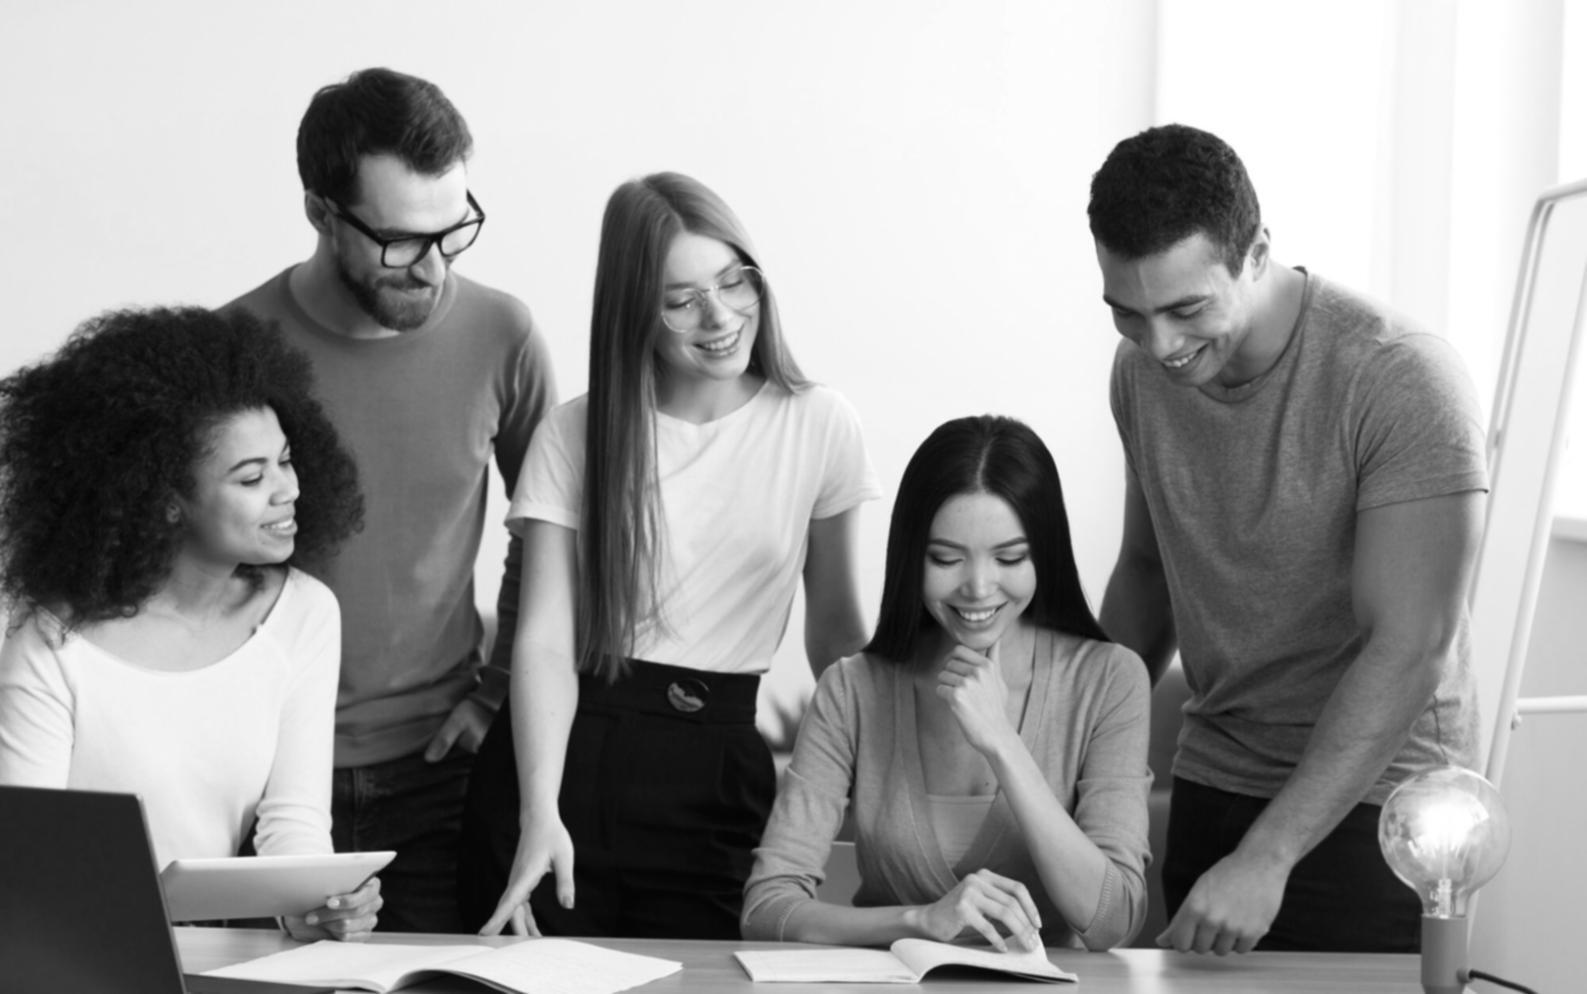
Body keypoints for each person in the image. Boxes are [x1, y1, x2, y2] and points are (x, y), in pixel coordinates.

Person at [1088, 123, 1488, 954]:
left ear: (1257, 251)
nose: (1159, 345)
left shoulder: (1398, 377)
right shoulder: (1141, 374)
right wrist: (1067, 748)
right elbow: (1144, 571)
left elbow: (1412, 646)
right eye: (1127, 313)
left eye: (1185, 309)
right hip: (1215, 773)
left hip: (1377, 805)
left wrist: (1267, 855)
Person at [463, 172, 880, 939]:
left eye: (733, 281)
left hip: (714, 764)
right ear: (634, 314)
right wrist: (538, 813)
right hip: (566, 758)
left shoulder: (820, 424)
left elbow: (837, 638)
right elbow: (546, 642)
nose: (718, 316)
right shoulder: (574, 433)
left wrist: (899, 764)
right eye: (680, 298)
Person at [227, 67, 557, 933]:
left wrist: (495, 691)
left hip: (437, 769)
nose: (435, 266)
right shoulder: (230, 349)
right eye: (403, 242)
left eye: (453, 232)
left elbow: (554, 536)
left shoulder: (503, 336)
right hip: (254, 768)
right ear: (320, 212)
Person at [0, 306, 379, 940]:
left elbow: (293, 822)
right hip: (77, 949)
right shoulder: (50, 642)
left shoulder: (305, 614)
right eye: (252, 476)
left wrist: (314, 905)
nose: (287, 490)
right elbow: (27, 863)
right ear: (166, 502)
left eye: (285, 461)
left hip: (223, 953)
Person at [741, 415, 1151, 951]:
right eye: (946, 559)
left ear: (1043, 556)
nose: (978, 588)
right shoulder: (853, 689)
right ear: (913, 556)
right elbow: (767, 907)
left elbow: (1112, 920)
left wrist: (1002, 741)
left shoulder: (1108, 679)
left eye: (1009, 557)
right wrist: (918, 921)